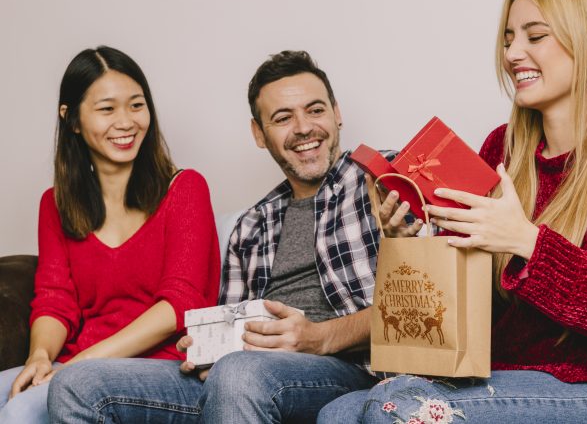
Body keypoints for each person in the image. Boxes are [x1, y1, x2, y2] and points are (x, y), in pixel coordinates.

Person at [318, 0, 587, 424]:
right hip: (504, 372)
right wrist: (410, 237)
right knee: (338, 413)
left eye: (536, 36)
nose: (513, 54)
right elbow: (473, 298)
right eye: (509, 38)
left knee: (394, 407)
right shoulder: (502, 150)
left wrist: (529, 243)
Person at [48, 50, 412, 423]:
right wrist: (208, 345)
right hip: (249, 373)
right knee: (78, 384)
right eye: (283, 118)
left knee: (239, 373)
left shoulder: (385, 179)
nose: (303, 128)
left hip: (350, 369)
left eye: (315, 110)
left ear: (337, 113)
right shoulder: (252, 226)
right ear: (259, 133)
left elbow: (437, 299)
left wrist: (320, 337)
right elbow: (230, 326)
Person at [0, 46, 221, 423]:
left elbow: (179, 306)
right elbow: (55, 301)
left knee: (23, 411)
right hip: (77, 364)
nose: (126, 122)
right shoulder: (55, 204)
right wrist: (39, 356)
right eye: (107, 109)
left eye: (136, 105)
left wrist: (81, 364)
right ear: (71, 120)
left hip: (164, 370)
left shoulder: (185, 189)